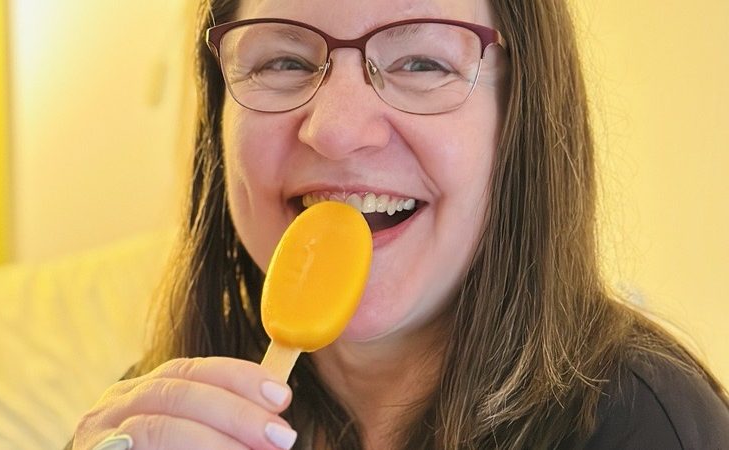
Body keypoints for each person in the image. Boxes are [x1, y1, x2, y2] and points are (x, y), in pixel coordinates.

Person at [69, 0, 729, 448]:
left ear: (520, 120)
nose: (336, 130)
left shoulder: (643, 423)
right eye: (283, 62)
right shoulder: (166, 413)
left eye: (422, 63)